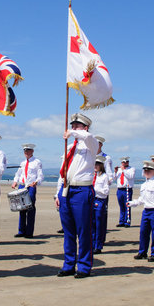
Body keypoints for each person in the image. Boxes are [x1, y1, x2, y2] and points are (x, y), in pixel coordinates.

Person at [56, 113, 97, 278]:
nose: (73, 127)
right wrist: (57, 193)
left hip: (82, 190)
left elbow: (89, 137)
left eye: (77, 125)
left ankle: (84, 266)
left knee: (83, 230)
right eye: (72, 125)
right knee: (69, 231)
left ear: (85, 127)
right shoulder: (69, 147)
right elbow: (63, 170)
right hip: (67, 189)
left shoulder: (91, 145)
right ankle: (68, 264)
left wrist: (72, 132)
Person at [129, 161, 154, 262]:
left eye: (149, 170)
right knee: (143, 232)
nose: (146, 172)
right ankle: (142, 252)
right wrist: (133, 203)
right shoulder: (143, 185)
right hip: (146, 210)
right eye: (145, 170)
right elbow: (142, 199)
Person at [12, 143, 43, 238]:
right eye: (25, 151)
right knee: (21, 208)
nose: (26, 152)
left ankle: (29, 232)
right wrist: (14, 182)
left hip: (30, 187)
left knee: (30, 208)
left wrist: (36, 182)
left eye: (28, 150)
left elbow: (40, 175)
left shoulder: (37, 162)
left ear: (32, 151)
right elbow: (18, 174)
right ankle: (21, 231)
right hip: (22, 186)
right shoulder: (22, 163)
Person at [92, 155, 110, 254]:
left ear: (101, 165)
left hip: (100, 201)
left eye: (97, 164)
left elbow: (106, 191)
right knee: (92, 224)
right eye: (94, 164)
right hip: (92, 200)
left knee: (99, 224)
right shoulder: (92, 175)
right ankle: (93, 243)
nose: (95, 166)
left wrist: (95, 189)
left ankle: (98, 246)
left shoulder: (104, 176)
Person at [115, 157, 135, 227]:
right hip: (120, 189)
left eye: (126, 162)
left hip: (127, 189)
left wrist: (124, 171)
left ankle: (127, 221)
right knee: (121, 206)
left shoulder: (131, 169)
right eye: (123, 162)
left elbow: (130, 176)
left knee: (127, 205)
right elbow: (114, 178)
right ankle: (121, 221)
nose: (124, 163)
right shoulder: (119, 169)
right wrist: (115, 172)